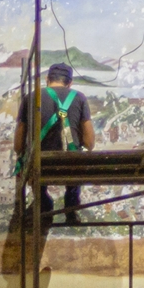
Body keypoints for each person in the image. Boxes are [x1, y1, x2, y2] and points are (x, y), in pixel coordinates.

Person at [14, 61, 94, 226]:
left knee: (32, 166)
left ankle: (44, 201)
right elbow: (89, 142)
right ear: (69, 83)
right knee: (76, 159)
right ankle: (71, 204)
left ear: (47, 79)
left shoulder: (31, 98)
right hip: (70, 165)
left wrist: (22, 154)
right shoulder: (79, 97)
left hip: (40, 165)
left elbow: (18, 144)